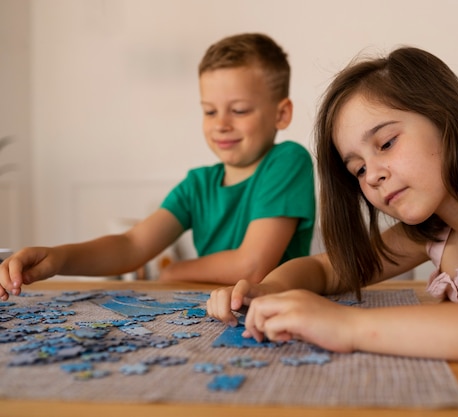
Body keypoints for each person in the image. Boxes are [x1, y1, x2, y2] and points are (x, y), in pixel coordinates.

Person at [206, 46, 458, 416]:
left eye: (386, 143)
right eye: (358, 169)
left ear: (446, 119)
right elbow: (327, 269)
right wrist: (267, 290)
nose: (372, 176)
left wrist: (347, 327)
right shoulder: (431, 233)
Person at [0, 33, 316, 297]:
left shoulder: (288, 160)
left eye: (240, 110)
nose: (221, 124)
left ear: (281, 114)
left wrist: (175, 271)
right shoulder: (198, 184)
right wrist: (58, 257)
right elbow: (131, 244)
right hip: (213, 311)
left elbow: (252, 266)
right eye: (209, 111)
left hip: (276, 312)